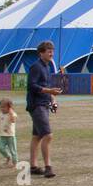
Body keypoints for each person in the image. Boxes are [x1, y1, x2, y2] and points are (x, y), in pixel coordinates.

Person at [27, 40, 64, 179]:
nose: (51, 54)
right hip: (36, 105)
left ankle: (33, 166)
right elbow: (32, 86)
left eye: (52, 51)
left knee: (37, 136)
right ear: (41, 53)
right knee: (48, 135)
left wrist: (53, 100)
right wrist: (49, 91)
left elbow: (48, 88)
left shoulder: (47, 67)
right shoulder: (36, 67)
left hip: (43, 104)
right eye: (49, 51)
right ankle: (48, 167)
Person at [0, 98, 19, 168]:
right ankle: (7, 157)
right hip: (2, 135)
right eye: (0, 107)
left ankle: (15, 163)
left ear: (9, 107)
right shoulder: (1, 114)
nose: (2, 109)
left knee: (13, 150)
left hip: (10, 136)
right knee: (1, 148)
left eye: (3, 107)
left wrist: (11, 113)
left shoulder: (12, 114)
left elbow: (13, 121)